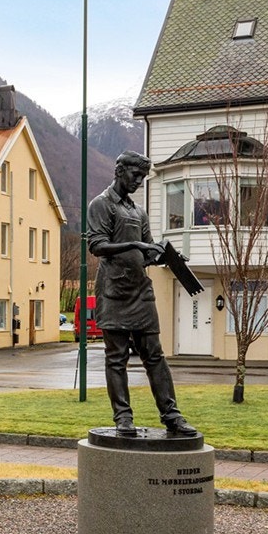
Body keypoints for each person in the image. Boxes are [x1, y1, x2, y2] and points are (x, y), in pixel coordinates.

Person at [86, 151, 198, 437]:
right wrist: (137, 244)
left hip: (140, 291)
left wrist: (165, 255)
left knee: (155, 356)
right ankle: (123, 418)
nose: (139, 181)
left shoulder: (138, 212)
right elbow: (97, 246)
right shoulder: (101, 205)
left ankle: (172, 416)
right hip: (114, 292)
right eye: (135, 175)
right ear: (119, 170)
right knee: (116, 358)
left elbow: (146, 253)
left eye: (143, 177)